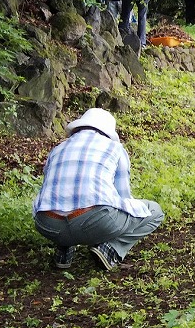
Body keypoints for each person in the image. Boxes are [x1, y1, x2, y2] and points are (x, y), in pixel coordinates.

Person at [33, 108, 164, 271]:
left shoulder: (57, 149)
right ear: (108, 132)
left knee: (63, 200)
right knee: (154, 211)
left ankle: (64, 248)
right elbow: (123, 198)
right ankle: (110, 250)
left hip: (48, 224)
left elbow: (49, 191)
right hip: (93, 221)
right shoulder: (114, 148)